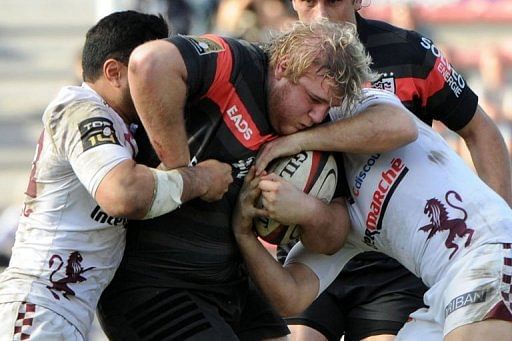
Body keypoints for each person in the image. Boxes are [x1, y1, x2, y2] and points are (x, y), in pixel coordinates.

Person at [96, 20, 419, 340]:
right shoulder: (236, 63)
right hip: (156, 283)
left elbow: (401, 128)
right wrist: (185, 171)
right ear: (282, 66)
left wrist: (305, 206)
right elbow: (149, 62)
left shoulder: (316, 130)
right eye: (314, 100)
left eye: (328, 107)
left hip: (231, 285)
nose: (318, 116)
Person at [250, 1, 512, 340]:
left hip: (419, 268)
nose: (322, 15)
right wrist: (247, 230)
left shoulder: (365, 86)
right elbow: (291, 294)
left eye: (332, 1)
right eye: (309, 1)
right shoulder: (271, 73)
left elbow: (406, 126)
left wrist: (501, 226)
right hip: (343, 240)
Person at [0, 10, 233, 340]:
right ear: (114, 72)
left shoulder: (123, 125)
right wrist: (200, 179)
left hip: (61, 313)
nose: (161, 81)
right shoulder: (82, 109)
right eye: (149, 70)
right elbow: (123, 193)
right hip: (40, 309)